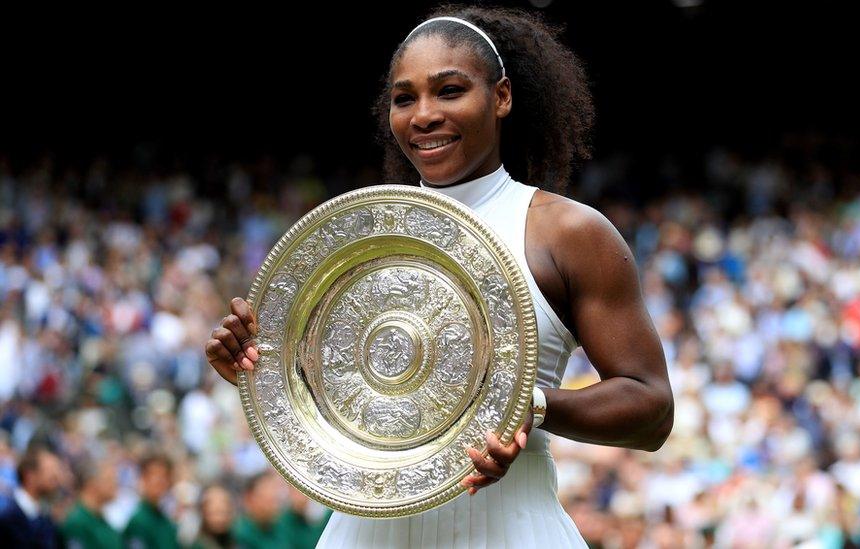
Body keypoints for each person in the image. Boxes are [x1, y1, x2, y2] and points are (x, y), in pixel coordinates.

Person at [205, 4, 674, 547]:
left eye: (449, 90)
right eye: (405, 98)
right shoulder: (353, 240)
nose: (423, 114)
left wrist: (527, 404)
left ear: (501, 98)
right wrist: (259, 369)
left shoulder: (568, 232)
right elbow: (328, 401)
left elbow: (651, 409)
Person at [0, 445, 64, 549]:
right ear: (30, 476)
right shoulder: (6, 518)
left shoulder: (45, 518)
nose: (56, 477)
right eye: (50, 471)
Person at [61, 459, 124, 549]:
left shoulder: (102, 520)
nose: (115, 484)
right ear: (91, 483)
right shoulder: (77, 523)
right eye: (109, 479)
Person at [123, 453, 180, 549]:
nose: (159, 480)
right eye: (154, 475)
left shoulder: (166, 521)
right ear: (143, 478)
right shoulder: (138, 521)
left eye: (164, 476)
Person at [230, 471, 286, 548]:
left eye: (275, 490)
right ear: (249, 498)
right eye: (267, 489)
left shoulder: (281, 529)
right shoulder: (239, 534)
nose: (274, 495)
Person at [191, 484, 236, 549]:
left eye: (224, 512)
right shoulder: (195, 544)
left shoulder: (236, 540)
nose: (220, 519)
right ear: (203, 511)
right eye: (215, 512)